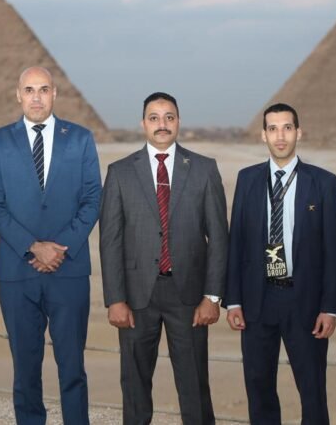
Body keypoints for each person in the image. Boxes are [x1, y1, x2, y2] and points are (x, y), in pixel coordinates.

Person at [99, 91, 228, 425]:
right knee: (134, 386)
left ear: (178, 122)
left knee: (194, 385)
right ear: (143, 123)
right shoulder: (120, 172)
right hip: (136, 297)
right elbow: (110, 241)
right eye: (154, 118)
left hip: (189, 297)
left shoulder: (204, 169)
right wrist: (115, 299)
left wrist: (212, 297)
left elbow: (219, 238)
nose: (162, 124)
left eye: (169, 117)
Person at [0, 66, 102, 425]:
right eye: (29, 90)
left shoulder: (80, 138)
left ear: (55, 94)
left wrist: (58, 247)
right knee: (25, 370)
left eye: (44, 89)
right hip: (18, 271)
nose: (37, 97)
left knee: (73, 368)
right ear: (18, 95)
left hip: (69, 269)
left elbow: (92, 199)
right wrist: (33, 246)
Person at [225, 103, 336, 424]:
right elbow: (236, 242)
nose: (280, 136)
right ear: (263, 135)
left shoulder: (323, 182)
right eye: (273, 129)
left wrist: (330, 308)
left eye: (287, 128)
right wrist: (233, 301)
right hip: (257, 299)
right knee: (258, 386)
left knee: (312, 389)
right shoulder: (247, 179)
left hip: (305, 301)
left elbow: (335, 250)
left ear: (298, 133)